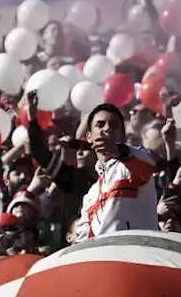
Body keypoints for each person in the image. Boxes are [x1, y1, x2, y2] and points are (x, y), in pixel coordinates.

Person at [68, 100, 159, 240]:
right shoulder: (91, 195)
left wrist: (118, 150)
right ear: (89, 137)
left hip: (137, 255)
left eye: (114, 125)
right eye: (100, 125)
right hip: (105, 259)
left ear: (122, 137)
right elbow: (83, 240)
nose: (107, 129)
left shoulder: (134, 162)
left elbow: (155, 163)